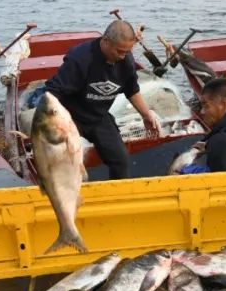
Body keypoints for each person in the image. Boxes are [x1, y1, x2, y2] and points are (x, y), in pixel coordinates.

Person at [44, 20, 161, 179]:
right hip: (71, 116)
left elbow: (131, 89)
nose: (122, 56)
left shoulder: (126, 60)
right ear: (105, 41)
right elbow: (53, 93)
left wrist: (146, 115)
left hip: (98, 117)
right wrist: (54, 124)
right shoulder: (80, 58)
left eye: (127, 52)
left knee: (121, 160)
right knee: (67, 163)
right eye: (119, 51)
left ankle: (117, 197)